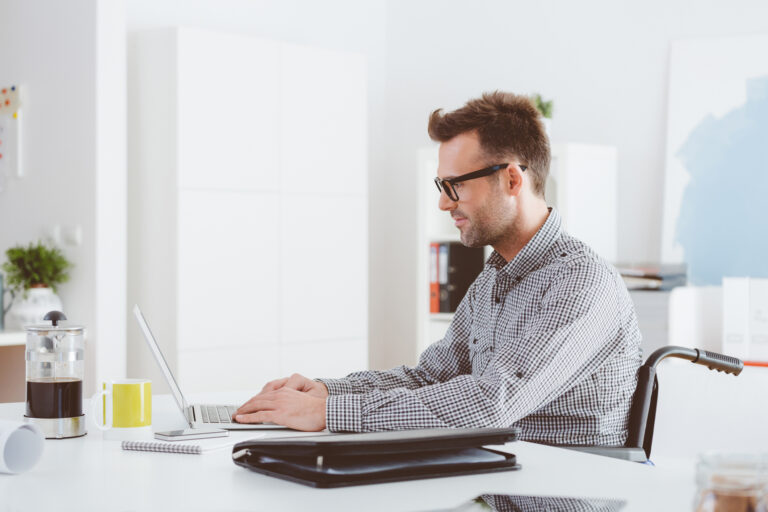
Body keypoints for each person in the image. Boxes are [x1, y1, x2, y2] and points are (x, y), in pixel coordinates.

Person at [234, 91, 642, 446]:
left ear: (513, 180)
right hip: (488, 482)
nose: (444, 204)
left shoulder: (583, 283)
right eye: (441, 187)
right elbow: (431, 378)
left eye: (455, 185)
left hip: (552, 497)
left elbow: (490, 403)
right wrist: (325, 391)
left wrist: (331, 413)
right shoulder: (494, 279)